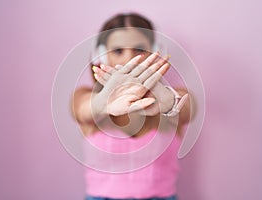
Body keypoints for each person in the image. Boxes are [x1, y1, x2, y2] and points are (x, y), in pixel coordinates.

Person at [72, 13, 190, 200]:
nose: (129, 59)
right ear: (100, 56)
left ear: (155, 51)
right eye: (118, 51)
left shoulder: (176, 95)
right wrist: (102, 104)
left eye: (139, 50)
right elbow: (83, 109)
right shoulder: (84, 96)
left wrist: (166, 101)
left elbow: (185, 106)